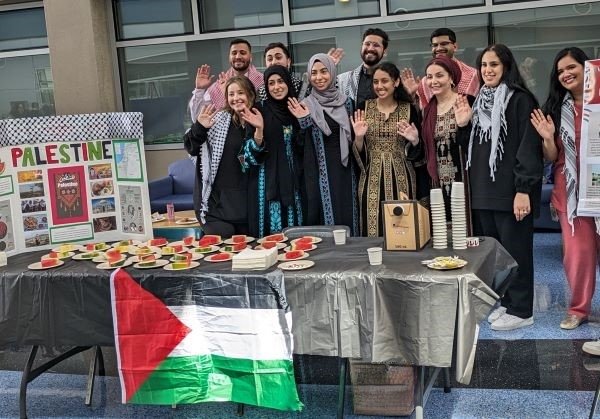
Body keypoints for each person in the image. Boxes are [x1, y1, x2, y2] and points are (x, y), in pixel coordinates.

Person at [454, 43, 543, 331]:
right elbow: (469, 150)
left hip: (510, 193)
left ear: (506, 66)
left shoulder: (520, 100)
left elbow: (528, 147)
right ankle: (506, 303)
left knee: (516, 253)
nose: (488, 70)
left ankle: (521, 310)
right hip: (483, 192)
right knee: (495, 256)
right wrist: (464, 124)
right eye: (483, 65)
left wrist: (523, 189)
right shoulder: (478, 101)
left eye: (494, 64)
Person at [530, 48, 599, 333]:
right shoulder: (557, 110)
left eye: (571, 67)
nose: (566, 74)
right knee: (577, 254)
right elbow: (551, 156)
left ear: (587, 70)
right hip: (570, 191)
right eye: (560, 71)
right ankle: (578, 309)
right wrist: (547, 138)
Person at [184, 76, 265, 238]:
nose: (236, 98)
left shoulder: (260, 119)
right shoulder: (218, 119)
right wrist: (200, 127)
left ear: (250, 95)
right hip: (216, 207)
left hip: (248, 207)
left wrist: (259, 130)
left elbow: (253, 160)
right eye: (231, 94)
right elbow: (192, 147)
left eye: (240, 93)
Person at [350, 62, 423, 237]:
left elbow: (419, 152)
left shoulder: (408, 109)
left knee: (402, 226)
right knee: (371, 224)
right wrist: (359, 137)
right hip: (371, 177)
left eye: (385, 81)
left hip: (401, 176)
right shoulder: (363, 107)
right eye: (376, 82)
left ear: (396, 82)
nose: (380, 86)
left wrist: (415, 140)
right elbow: (357, 152)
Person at [288, 53, 359, 235]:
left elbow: (356, 140)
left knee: (349, 212)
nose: (319, 77)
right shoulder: (305, 105)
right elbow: (298, 145)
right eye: (314, 73)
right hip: (318, 171)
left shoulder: (347, 103)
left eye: (324, 71)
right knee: (325, 218)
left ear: (333, 73)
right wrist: (303, 122)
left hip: (346, 170)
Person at [248, 65, 304, 238]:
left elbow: (306, 147)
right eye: (271, 83)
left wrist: (303, 121)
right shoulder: (258, 110)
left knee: (296, 237)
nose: (276, 87)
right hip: (267, 184)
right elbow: (244, 157)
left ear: (288, 82)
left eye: (280, 81)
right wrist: (258, 131)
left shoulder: (297, 108)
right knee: (269, 237)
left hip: (295, 182)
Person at [421, 55, 475, 227]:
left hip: (464, 180)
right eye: (429, 77)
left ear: (451, 77)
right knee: (442, 234)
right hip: (437, 183)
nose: (433, 81)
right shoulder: (428, 110)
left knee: (466, 232)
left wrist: (464, 125)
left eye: (439, 75)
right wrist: (415, 140)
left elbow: (476, 146)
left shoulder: (467, 102)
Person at [401, 28, 479, 109]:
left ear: (455, 46)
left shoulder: (473, 75)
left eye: (444, 44)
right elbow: (423, 115)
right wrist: (412, 95)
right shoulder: (426, 82)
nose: (439, 48)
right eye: (435, 45)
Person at [189, 39, 263, 120]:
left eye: (242, 53)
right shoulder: (219, 85)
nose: (238, 57)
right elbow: (197, 118)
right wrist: (200, 89)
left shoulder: (262, 81)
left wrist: (228, 94)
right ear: (229, 57)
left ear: (251, 57)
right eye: (234, 53)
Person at [257, 42, 344, 101]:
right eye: (269, 59)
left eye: (278, 57)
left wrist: (325, 65)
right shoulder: (260, 93)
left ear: (288, 61)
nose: (274, 62)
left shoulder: (303, 87)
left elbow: (326, 97)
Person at [337, 28, 389, 108]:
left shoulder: (393, 80)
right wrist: (327, 68)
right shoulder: (343, 80)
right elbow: (323, 99)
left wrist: (410, 95)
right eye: (367, 44)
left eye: (376, 45)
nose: (370, 48)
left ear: (384, 52)